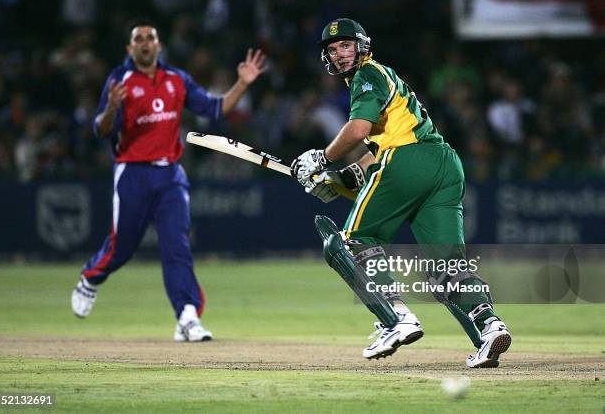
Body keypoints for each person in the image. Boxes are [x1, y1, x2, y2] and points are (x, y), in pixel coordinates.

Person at [291, 18, 511, 367]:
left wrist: (321, 157)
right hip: (444, 164)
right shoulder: (384, 76)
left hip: (408, 159)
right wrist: (342, 176)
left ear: (362, 45)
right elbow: (376, 150)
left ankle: (395, 317)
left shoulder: (368, 75)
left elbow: (360, 129)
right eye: (333, 50)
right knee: (446, 267)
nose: (340, 54)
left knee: (353, 242)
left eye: (345, 46)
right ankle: (490, 326)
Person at [71, 19, 266, 342]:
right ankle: (90, 279)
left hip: (170, 174)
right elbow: (100, 130)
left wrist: (242, 84)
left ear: (159, 45)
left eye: (151, 37)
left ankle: (187, 317)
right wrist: (112, 109)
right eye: (139, 39)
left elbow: (214, 109)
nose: (146, 43)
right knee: (123, 247)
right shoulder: (120, 80)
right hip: (132, 172)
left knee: (176, 245)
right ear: (130, 48)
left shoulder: (176, 79)